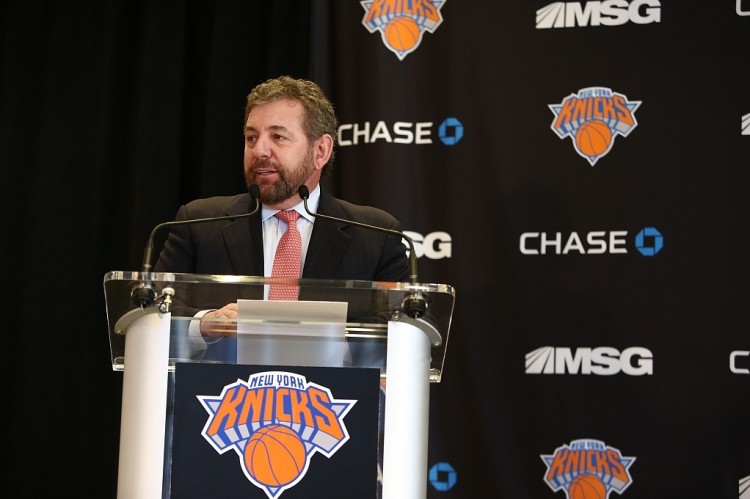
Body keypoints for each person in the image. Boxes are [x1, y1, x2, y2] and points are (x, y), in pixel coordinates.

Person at [153, 75, 410, 354]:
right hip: (220, 382)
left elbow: (403, 328)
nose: (260, 151)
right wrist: (203, 325)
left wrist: (330, 348)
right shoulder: (199, 224)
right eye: (252, 137)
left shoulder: (375, 236)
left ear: (320, 151)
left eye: (278, 137)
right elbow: (151, 310)